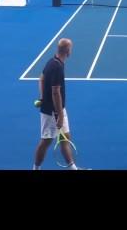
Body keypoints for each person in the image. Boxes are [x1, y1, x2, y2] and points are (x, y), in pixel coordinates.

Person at [33, 38, 79, 170]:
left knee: (65, 137)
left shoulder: (51, 61)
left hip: (57, 109)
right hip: (52, 112)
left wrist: (42, 97)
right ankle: (35, 168)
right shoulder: (57, 67)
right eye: (71, 49)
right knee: (46, 141)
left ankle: (73, 168)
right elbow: (55, 92)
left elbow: (40, 79)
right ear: (68, 51)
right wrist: (59, 115)